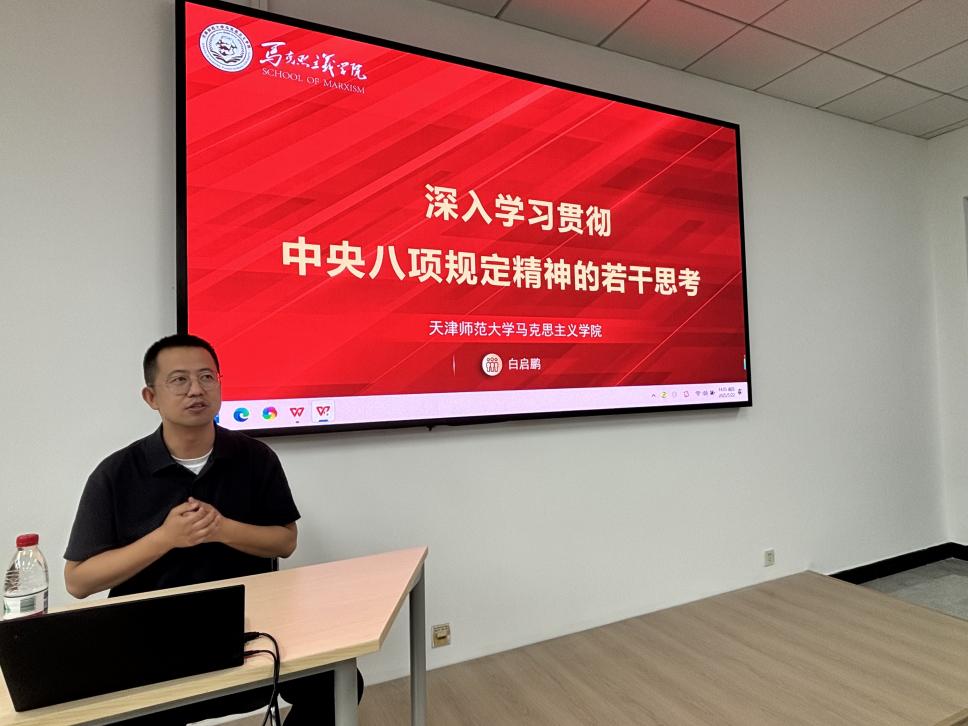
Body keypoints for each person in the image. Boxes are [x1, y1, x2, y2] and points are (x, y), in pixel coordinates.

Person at [64, 333, 362, 725]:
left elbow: (285, 541)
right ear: (151, 397)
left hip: (248, 630)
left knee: (339, 682)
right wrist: (164, 539)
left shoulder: (255, 457)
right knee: (113, 712)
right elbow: (79, 581)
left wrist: (221, 528)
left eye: (207, 377)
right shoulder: (116, 473)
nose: (196, 390)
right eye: (179, 380)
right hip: (148, 639)